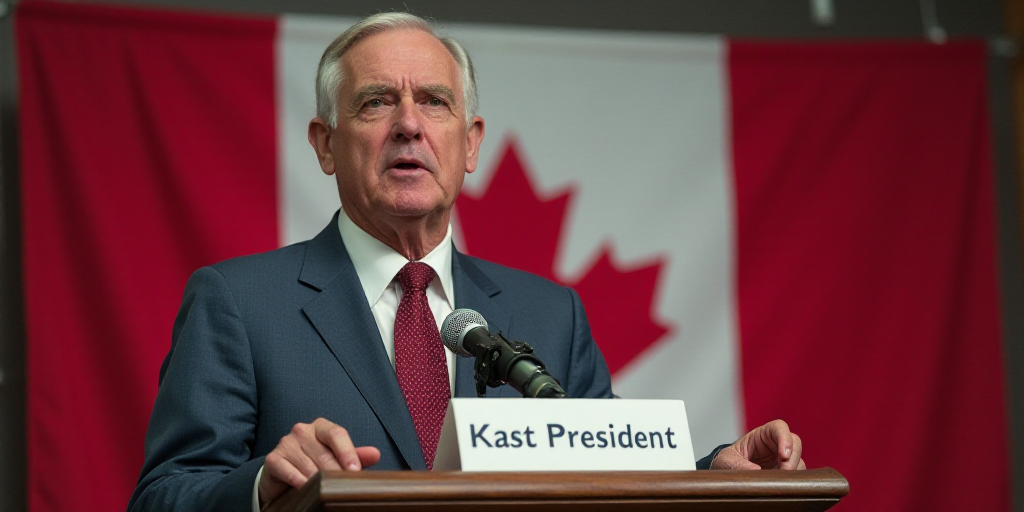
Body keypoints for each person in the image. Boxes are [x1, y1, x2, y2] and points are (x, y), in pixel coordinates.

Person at [128, 12, 805, 512]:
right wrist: (260, 486)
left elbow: (612, 466)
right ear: (325, 144)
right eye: (375, 102)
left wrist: (719, 467)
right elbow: (162, 497)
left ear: (469, 142)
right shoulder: (239, 304)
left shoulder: (549, 314)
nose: (408, 124)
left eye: (433, 100)